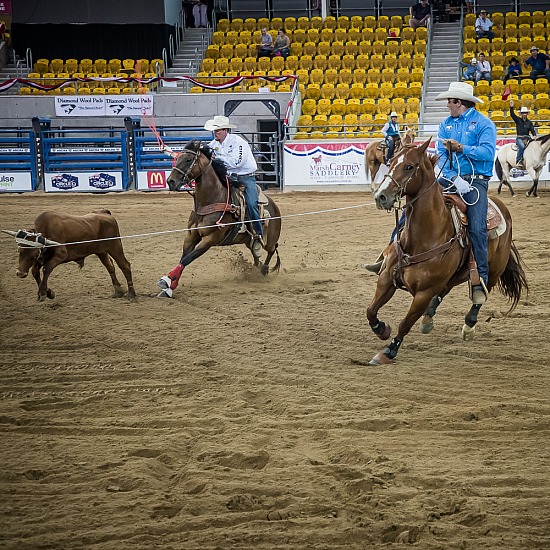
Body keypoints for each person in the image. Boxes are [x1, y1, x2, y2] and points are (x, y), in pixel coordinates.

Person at [365, 82, 496, 307]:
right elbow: (442, 155)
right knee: (412, 209)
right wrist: (454, 177)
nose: (447, 104)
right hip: (450, 178)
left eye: (450, 101)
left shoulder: (484, 124)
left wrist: (462, 148)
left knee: (477, 226)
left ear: (459, 102)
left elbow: (487, 152)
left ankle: (479, 278)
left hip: (476, 182)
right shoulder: (446, 124)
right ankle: (387, 255)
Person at [204, 115, 263, 254]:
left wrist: (217, 158)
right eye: (214, 130)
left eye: (218, 130)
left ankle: (258, 234)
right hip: (228, 177)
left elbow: (238, 162)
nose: (215, 132)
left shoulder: (238, 142)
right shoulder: (214, 144)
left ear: (225, 130)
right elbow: (204, 152)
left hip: (245, 178)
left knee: (252, 203)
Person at [509, 100, 536, 169]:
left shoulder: (529, 122)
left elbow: (532, 130)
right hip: (519, 138)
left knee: (534, 146)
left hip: (527, 138)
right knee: (521, 146)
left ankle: (534, 160)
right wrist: (511, 107)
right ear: (521, 114)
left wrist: (534, 135)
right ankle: (518, 161)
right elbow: (512, 114)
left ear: (527, 114)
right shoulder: (518, 120)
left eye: (525, 113)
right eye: (523, 113)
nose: (524, 114)